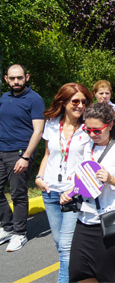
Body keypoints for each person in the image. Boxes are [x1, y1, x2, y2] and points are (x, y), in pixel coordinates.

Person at [65, 102, 115, 282]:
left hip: (111, 221)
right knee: (78, 273)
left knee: (109, 276)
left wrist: (111, 179)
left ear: (110, 125)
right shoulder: (86, 147)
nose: (92, 134)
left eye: (97, 130)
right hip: (85, 219)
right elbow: (82, 180)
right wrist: (70, 192)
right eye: (87, 129)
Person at [35, 83, 92, 281]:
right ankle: (85, 274)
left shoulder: (88, 128)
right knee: (60, 244)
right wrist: (39, 178)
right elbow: (48, 154)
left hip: (72, 193)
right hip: (49, 191)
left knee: (66, 248)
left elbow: (89, 164)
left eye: (84, 102)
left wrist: (75, 189)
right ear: (64, 102)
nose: (80, 105)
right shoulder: (51, 123)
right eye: (75, 101)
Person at [0, 64, 45, 252]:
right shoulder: (4, 97)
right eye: (12, 78)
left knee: (18, 193)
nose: (16, 81)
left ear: (27, 77)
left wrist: (26, 157)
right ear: (6, 79)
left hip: (20, 152)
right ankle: (7, 227)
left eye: (19, 78)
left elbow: (38, 130)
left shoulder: (34, 100)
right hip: (2, 150)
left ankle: (19, 233)